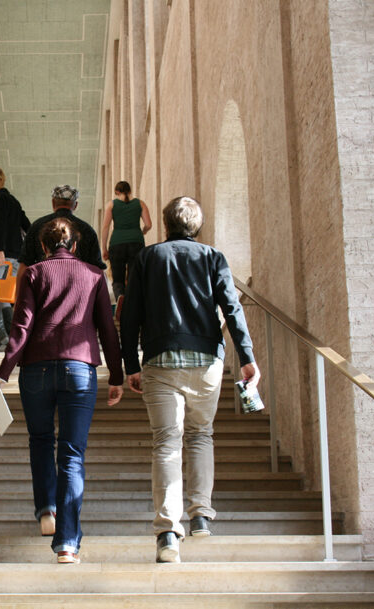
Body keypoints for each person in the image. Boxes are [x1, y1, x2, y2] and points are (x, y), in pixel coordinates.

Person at [119, 196, 260, 564]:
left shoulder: (147, 258)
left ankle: (168, 532)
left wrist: (129, 365)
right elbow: (232, 306)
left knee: (166, 442)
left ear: (165, 224)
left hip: (160, 358)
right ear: (196, 226)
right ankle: (200, 516)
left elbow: (130, 313)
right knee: (200, 434)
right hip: (206, 360)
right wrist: (247, 358)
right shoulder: (213, 257)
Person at [0, 217, 124, 565]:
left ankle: (46, 508)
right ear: (74, 245)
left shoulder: (33, 273)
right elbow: (108, 330)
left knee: (41, 440)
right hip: (80, 370)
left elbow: (22, 325)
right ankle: (67, 544)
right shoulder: (94, 275)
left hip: (36, 369)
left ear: (44, 246)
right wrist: (118, 375)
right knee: (72, 455)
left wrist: (3, 373)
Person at [0, 166, 31, 352]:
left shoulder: (1, 199)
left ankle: (1, 335)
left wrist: (0, 250)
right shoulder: (13, 200)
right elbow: (26, 224)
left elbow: (1, 225)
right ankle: (11, 337)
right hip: (13, 254)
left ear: (1, 180)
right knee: (1, 297)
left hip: (1, 255)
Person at [17, 184, 105, 281]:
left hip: (44, 286)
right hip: (78, 287)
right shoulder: (87, 230)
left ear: (53, 203)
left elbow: (24, 264)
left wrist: (18, 295)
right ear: (75, 205)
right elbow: (98, 268)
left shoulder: (37, 226)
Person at [100, 181, 152, 316]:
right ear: (130, 190)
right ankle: (133, 303)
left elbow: (105, 227)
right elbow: (148, 224)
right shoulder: (140, 203)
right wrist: (143, 231)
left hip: (117, 243)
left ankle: (120, 299)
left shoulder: (111, 205)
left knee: (118, 278)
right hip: (137, 242)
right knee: (134, 275)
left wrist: (104, 248)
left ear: (116, 192)